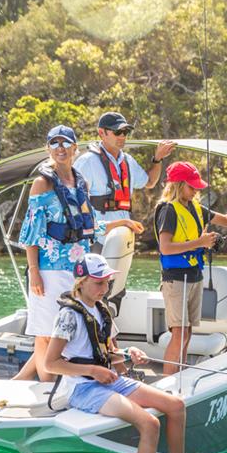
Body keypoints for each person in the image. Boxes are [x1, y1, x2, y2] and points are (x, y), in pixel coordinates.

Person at [13, 125, 143, 382]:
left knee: (67, 329)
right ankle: (47, 387)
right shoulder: (42, 184)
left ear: (75, 148)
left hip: (76, 272)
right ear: (47, 148)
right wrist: (34, 273)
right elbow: (31, 233)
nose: (60, 148)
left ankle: (22, 380)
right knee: (47, 333)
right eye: (54, 143)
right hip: (48, 270)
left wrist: (122, 223)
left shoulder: (79, 181)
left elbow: (91, 224)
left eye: (65, 143)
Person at [45, 253, 189, 453]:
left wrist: (127, 354)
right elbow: (50, 363)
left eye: (107, 283)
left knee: (177, 406)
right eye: (98, 282)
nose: (104, 288)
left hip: (108, 379)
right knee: (149, 424)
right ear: (81, 282)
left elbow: (103, 353)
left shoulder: (101, 310)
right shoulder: (68, 316)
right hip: (83, 388)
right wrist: (93, 371)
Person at [153, 162, 227, 375]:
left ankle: (181, 374)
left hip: (194, 276)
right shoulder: (168, 211)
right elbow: (165, 248)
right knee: (179, 334)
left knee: (187, 332)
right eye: (192, 187)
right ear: (178, 185)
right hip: (175, 279)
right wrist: (200, 243)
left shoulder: (196, 208)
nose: (196, 191)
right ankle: (168, 380)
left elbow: (226, 221)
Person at [73, 111, 176, 251]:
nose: (122, 135)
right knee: (97, 274)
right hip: (98, 239)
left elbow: (150, 182)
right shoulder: (87, 161)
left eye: (125, 131)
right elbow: (74, 201)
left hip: (123, 237)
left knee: (119, 274)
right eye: (117, 131)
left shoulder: (128, 161)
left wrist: (157, 159)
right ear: (101, 133)